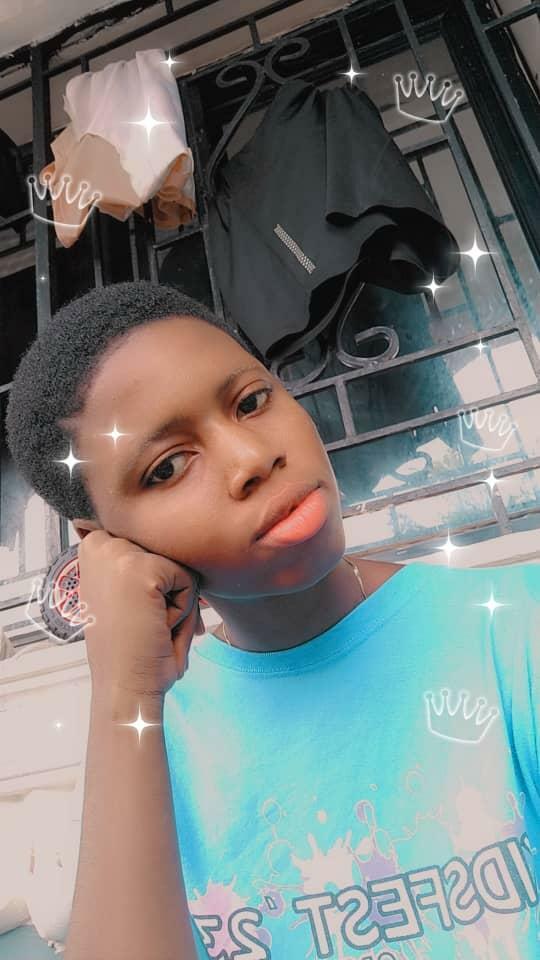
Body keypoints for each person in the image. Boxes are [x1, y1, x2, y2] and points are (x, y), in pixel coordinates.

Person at [5, 280, 539, 960]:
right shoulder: (141, 746)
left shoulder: (513, 628)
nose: (253, 459)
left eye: (252, 402)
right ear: (105, 543)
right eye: (169, 466)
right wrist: (123, 698)